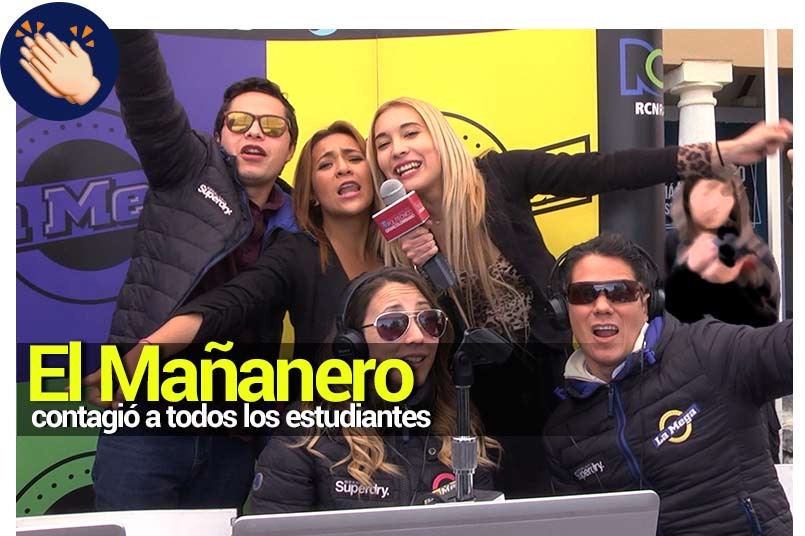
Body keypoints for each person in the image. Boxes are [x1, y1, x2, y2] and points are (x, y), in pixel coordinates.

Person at [366, 96, 793, 496]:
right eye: (383, 144)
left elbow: (607, 169)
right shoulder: (393, 233)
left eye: (410, 133)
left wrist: (726, 151)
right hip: (472, 407)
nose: (398, 149)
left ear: (439, 136)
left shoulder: (499, 176)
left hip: (550, 385)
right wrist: (422, 268)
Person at [90, 30, 299, 511]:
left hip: (236, 437)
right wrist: (127, 23)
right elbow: (146, 93)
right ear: (219, 134)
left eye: (272, 127)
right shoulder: (187, 168)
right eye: (240, 122)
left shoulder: (300, 226)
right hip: (146, 422)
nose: (254, 133)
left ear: (290, 148)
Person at [542, 233, 792, 535]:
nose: (602, 306)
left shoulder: (707, 349)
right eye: (585, 294)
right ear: (564, 309)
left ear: (647, 301)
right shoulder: (562, 434)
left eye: (620, 292)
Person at [248, 267, 501, 513]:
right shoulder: (306, 431)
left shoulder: (459, 422)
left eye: (429, 321)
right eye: (393, 324)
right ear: (353, 344)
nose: (417, 336)